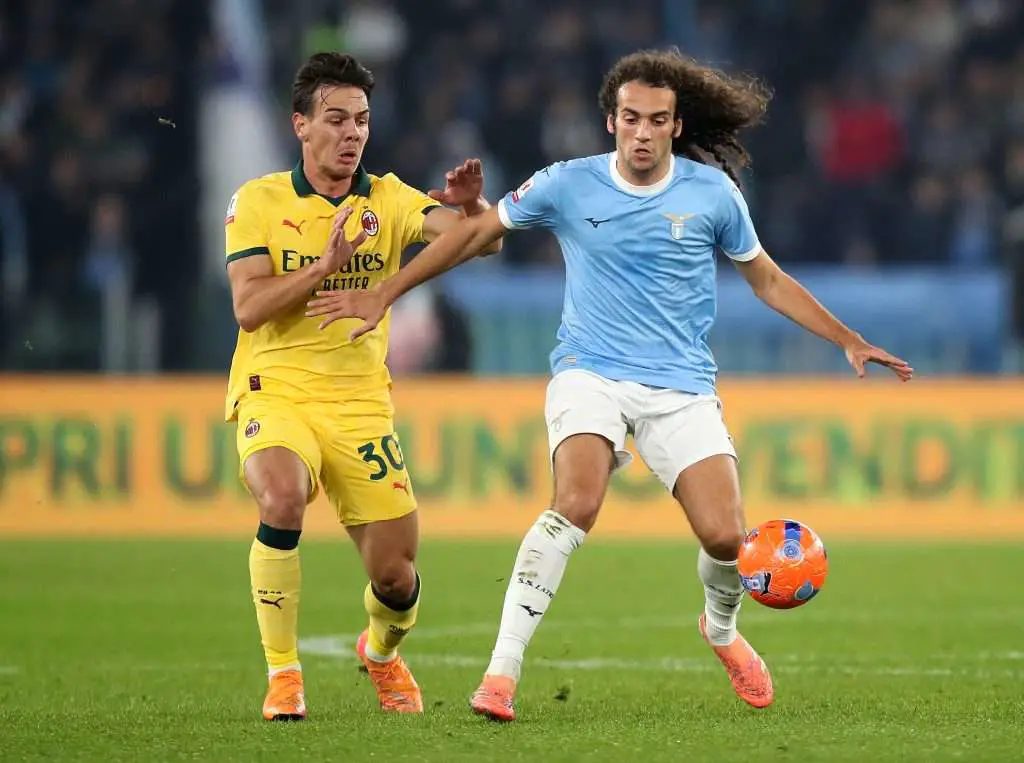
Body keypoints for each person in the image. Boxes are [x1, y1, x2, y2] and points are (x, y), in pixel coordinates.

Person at [305, 48, 913, 721]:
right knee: (576, 501)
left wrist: (847, 338)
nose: (642, 132)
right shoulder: (566, 184)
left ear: (676, 126)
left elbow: (766, 278)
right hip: (589, 372)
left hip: (680, 386)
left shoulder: (712, 194)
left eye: (656, 120)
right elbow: (475, 232)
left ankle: (720, 630)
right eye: (631, 118)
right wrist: (386, 291)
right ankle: (501, 673)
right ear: (611, 121)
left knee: (725, 539)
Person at [224, 51, 501, 721]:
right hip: (275, 389)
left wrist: (473, 207)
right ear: (301, 124)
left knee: (396, 578)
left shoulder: (388, 199)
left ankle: (380, 652)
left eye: (362, 120)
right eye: (337, 119)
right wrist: (322, 268)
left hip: (359, 404)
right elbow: (249, 308)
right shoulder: (258, 200)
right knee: (282, 497)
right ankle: (284, 675)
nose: (352, 133)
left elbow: (484, 240)